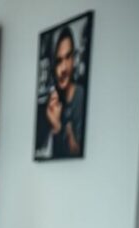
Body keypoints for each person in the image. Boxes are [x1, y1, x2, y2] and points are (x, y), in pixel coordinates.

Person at [45, 25, 85, 157]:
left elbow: (76, 150)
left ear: (74, 59)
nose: (63, 68)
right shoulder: (53, 104)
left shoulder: (80, 97)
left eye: (68, 57)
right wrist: (56, 126)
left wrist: (64, 129)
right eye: (58, 61)